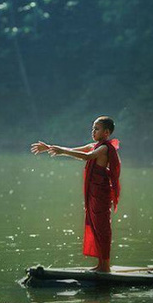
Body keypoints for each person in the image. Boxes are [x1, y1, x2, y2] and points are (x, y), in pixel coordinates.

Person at [30, 116, 121, 272]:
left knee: (102, 228)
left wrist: (61, 151)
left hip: (101, 194)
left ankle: (105, 267)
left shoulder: (104, 148)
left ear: (106, 132)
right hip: (93, 193)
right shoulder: (94, 145)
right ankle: (100, 264)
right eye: (93, 128)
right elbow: (75, 150)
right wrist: (50, 148)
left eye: (97, 129)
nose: (93, 131)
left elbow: (87, 157)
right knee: (95, 226)